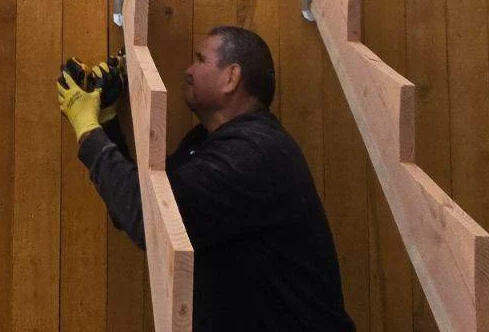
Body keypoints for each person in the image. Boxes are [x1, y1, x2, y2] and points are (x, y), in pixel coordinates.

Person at [57, 26, 355, 332]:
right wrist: (106, 120)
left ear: (231, 77)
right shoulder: (208, 143)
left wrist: (87, 129)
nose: (188, 70)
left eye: (200, 60)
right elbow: (139, 205)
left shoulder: (252, 155)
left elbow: (147, 220)